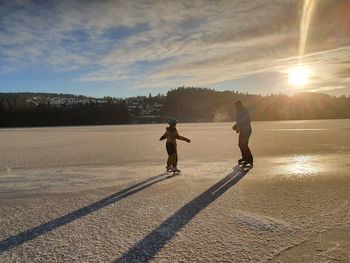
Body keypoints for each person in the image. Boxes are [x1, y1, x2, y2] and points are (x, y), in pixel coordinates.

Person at [232, 100, 253, 167]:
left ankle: (249, 159)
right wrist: (236, 126)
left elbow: (245, 121)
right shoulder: (239, 112)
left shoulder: (244, 111)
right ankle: (245, 158)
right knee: (241, 144)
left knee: (244, 144)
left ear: (239, 105)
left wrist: (238, 127)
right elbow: (240, 122)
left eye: (236, 106)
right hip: (243, 130)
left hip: (246, 130)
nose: (235, 107)